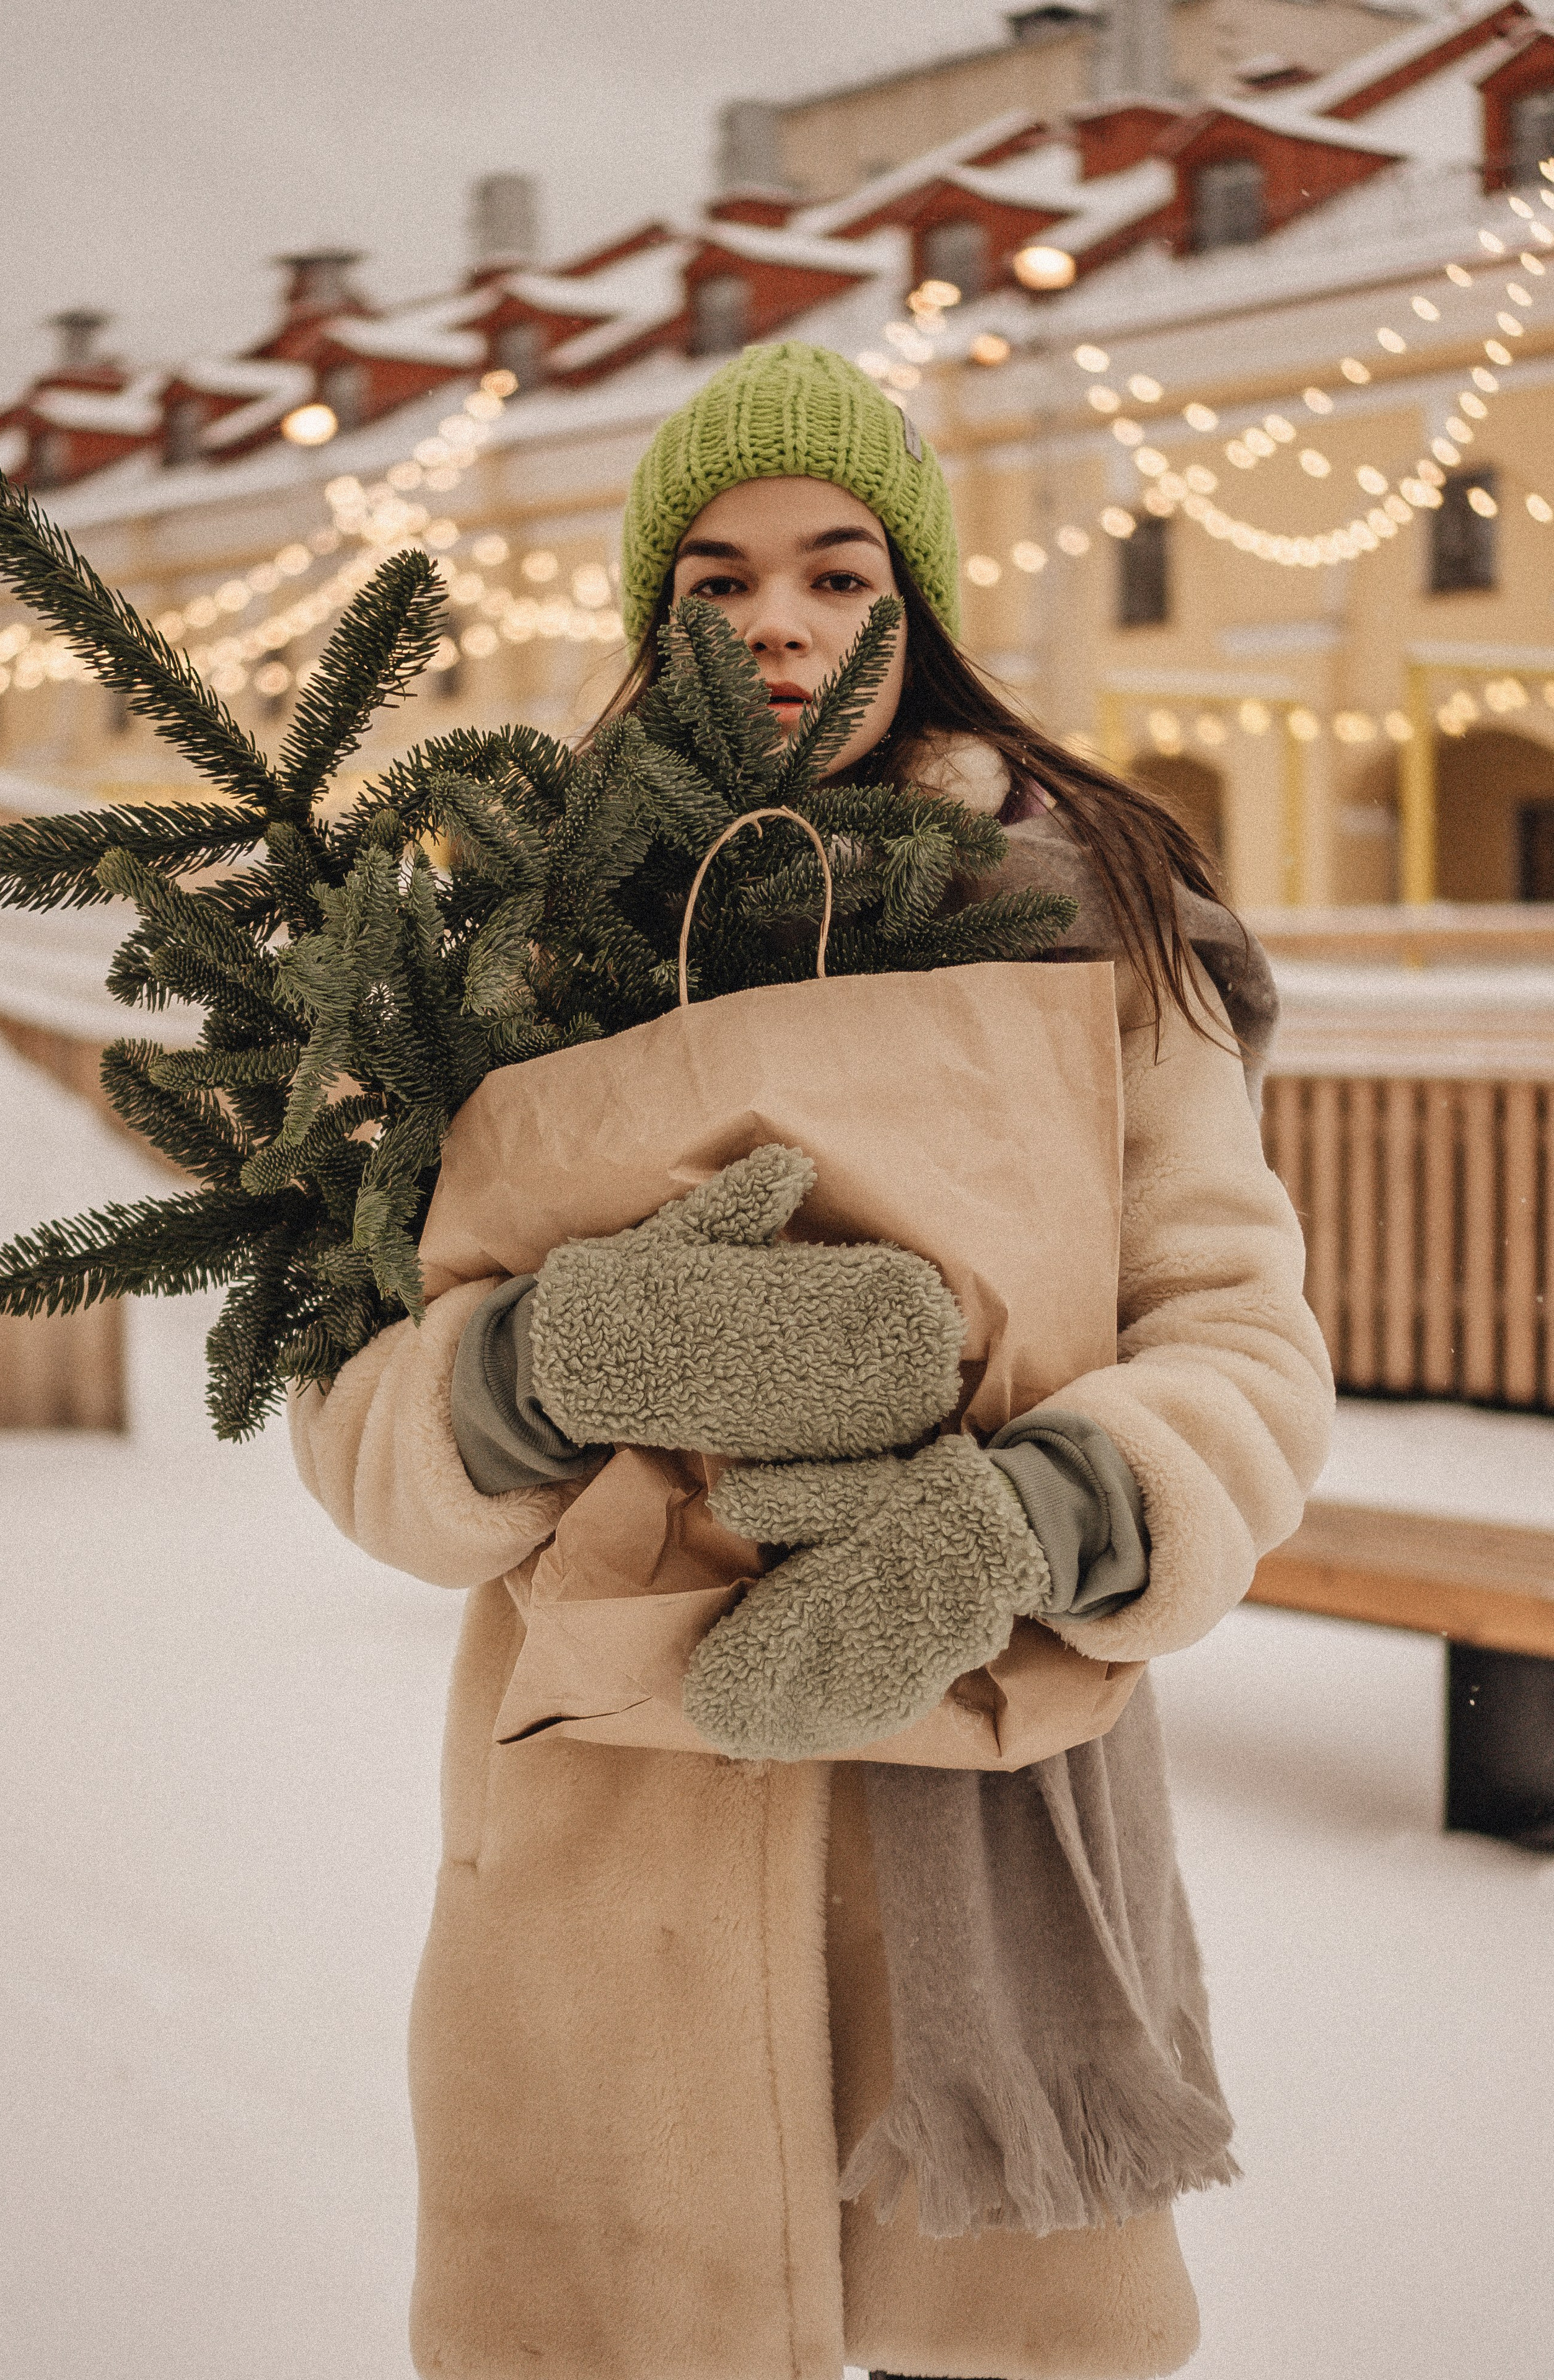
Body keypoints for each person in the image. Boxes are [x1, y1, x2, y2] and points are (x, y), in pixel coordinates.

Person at [291, 340, 1333, 2380]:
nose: (781, 621)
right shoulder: (508, 942)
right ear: (652, 616)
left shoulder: (1093, 912)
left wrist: (1036, 1517)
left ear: (915, 601)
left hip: (982, 1775)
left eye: (842, 571)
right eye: (719, 577)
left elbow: (1242, 1338)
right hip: (607, 1836)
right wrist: (539, 1365)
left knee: (994, 2337)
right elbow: (350, 1418)